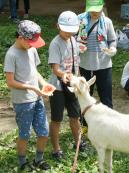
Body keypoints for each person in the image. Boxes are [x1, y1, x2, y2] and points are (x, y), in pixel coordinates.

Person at [4, 20, 54, 171]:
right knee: (24, 134)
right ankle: (22, 161)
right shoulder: (11, 54)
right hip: (23, 101)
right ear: (20, 37)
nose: (33, 45)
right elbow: (10, 82)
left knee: (44, 131)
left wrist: (43, 82)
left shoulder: (31, 49)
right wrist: (32, 87)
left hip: (36, 98)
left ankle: (39, 159)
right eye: (31, 42)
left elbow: (34, 71)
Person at [48, 10, 85, 162]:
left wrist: (78, 78)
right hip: (58, 87)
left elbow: (76, 63)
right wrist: (63, 75)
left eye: (71, 31)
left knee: (75, 116)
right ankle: (56, 149)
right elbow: (55, 68)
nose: (68, 34)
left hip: (73, 84)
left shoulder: (73, 41)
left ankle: (79, 142)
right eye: (65, 31)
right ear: (58, 26)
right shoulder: (55, 43)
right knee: (57, 118)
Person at [77, 0, 117, 109]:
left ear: (102, 6)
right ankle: (84, 126)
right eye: (92, 10)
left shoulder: (107, 22)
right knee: (85, 98)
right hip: (84, 64)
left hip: (104, 64)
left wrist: (112, 48)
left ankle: (108, 125)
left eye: (97, 10)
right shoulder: (79, 20)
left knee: (106, 99)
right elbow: (71, 38)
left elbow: (112, 40)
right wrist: (78, 45)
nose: (94, 12)